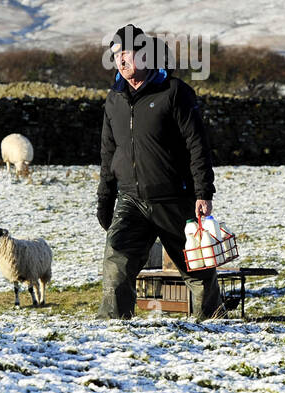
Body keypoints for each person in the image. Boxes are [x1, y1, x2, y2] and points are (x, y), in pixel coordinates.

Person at [96, 24, 223, 320]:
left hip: (174, 198)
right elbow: (108, 153)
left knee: (198, 270)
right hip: (131, 200)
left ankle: (214, 326)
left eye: (126, 52)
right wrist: (105, 199)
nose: (121, 60)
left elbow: (197, 145)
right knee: (116, 267)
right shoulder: (114, 99)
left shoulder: (174, 92)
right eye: (115, 55)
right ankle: (112, 331)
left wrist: (203, 192)